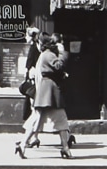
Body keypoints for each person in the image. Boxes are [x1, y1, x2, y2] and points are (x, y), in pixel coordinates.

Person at [15, 29, 76, 159]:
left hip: (45, 91)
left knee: (41, 120)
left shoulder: (44, 55)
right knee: (59, 120)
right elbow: (59, 65)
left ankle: (23, 145)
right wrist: (63, 52)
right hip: (50, 91)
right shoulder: (48, 55)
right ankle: (64, 148)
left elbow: (54, 70)